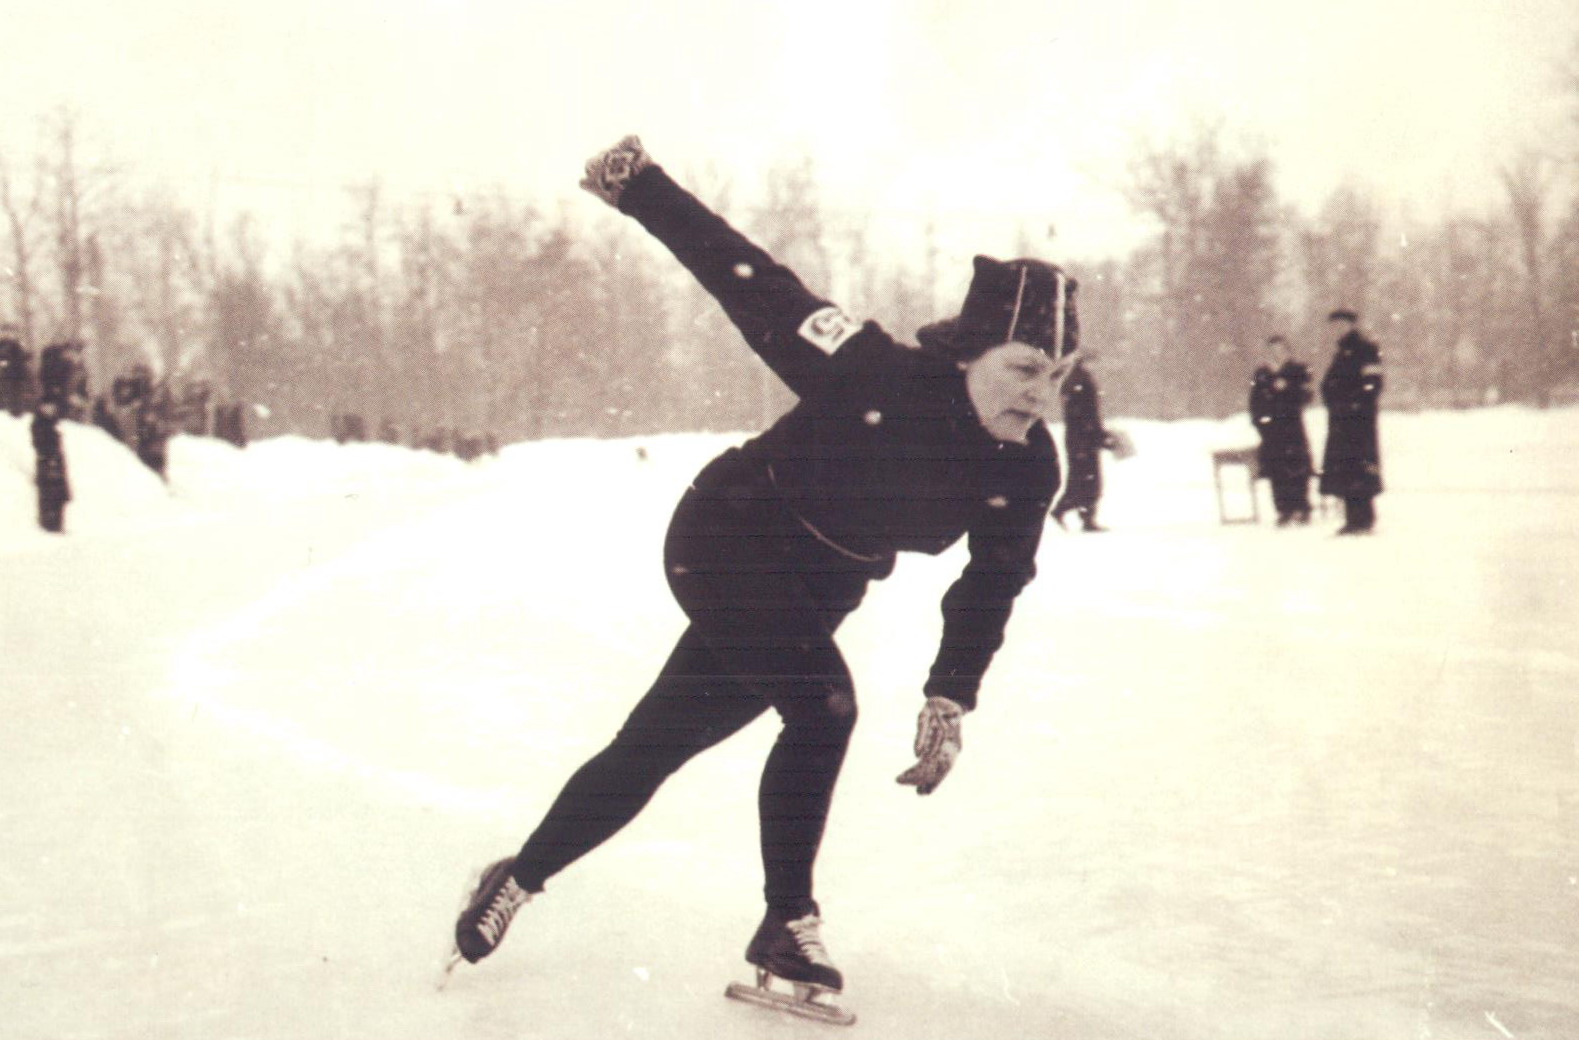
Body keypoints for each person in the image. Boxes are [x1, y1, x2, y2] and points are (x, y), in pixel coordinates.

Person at [445, 137, 1080, 1005]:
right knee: (822, 707)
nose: (1039, 396)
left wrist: (950, 692)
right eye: (1022, 369)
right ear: (967, 357)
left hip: (818, 586)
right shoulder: (873, 374)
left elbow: (991, 585)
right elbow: (752, 281)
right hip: (727, 535)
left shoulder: (1027, 468)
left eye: (1059, 377)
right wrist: (644, 191)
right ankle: (788, 921)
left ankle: (516, 876)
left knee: (655, 744)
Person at [1319, 309, 1384, 534]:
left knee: (1360, 469)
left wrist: (1354, 406)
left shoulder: (1365, 348)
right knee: (1347, 469)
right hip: (1342, 421)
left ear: (1351, 325)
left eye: (1340, 325)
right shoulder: (1342, 351)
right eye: (1333, 326)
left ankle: (1363, 518)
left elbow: (1373, 383)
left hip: (1358, 422)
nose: (1336, 330)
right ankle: (1353, 518)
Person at [1049, 353, 1124, 532]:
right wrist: (1098, 435)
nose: (1097, 366)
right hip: (1082, 439)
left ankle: (1076, 513)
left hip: (1081, 438)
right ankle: (1076, 514)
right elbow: (1083, 415)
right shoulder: (1080, 382)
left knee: (1083, 479)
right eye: (1094, 362)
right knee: (1087, 480)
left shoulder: (1078, 380)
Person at [1249, 335, 1314, 525]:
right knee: (1276, 470)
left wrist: (1289, 388)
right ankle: (1283, 509)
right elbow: (1255, 402)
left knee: (1298, 468)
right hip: (1271, 432)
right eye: (1272, 350)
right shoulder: (1261, 373)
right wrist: (1261, 423)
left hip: (1292, 427)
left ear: (1287, 350)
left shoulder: (1298, 370)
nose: (1276, 354)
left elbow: (1307, 395)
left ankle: (1302, 507)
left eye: (1280, 349)